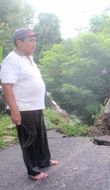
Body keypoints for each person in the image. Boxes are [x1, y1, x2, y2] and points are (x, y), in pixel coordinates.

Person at [0, 28, 59, 180]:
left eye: (35, 40)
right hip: (23, 108)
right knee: (29, 140)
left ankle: (44, 161)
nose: (35, 44)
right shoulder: (11, 60)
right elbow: (6, 87)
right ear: (19, 42)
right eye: (31, 41)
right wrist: (14, 110)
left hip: (35, 106)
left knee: (40, 136)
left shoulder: (28, 58)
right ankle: (33, 171)